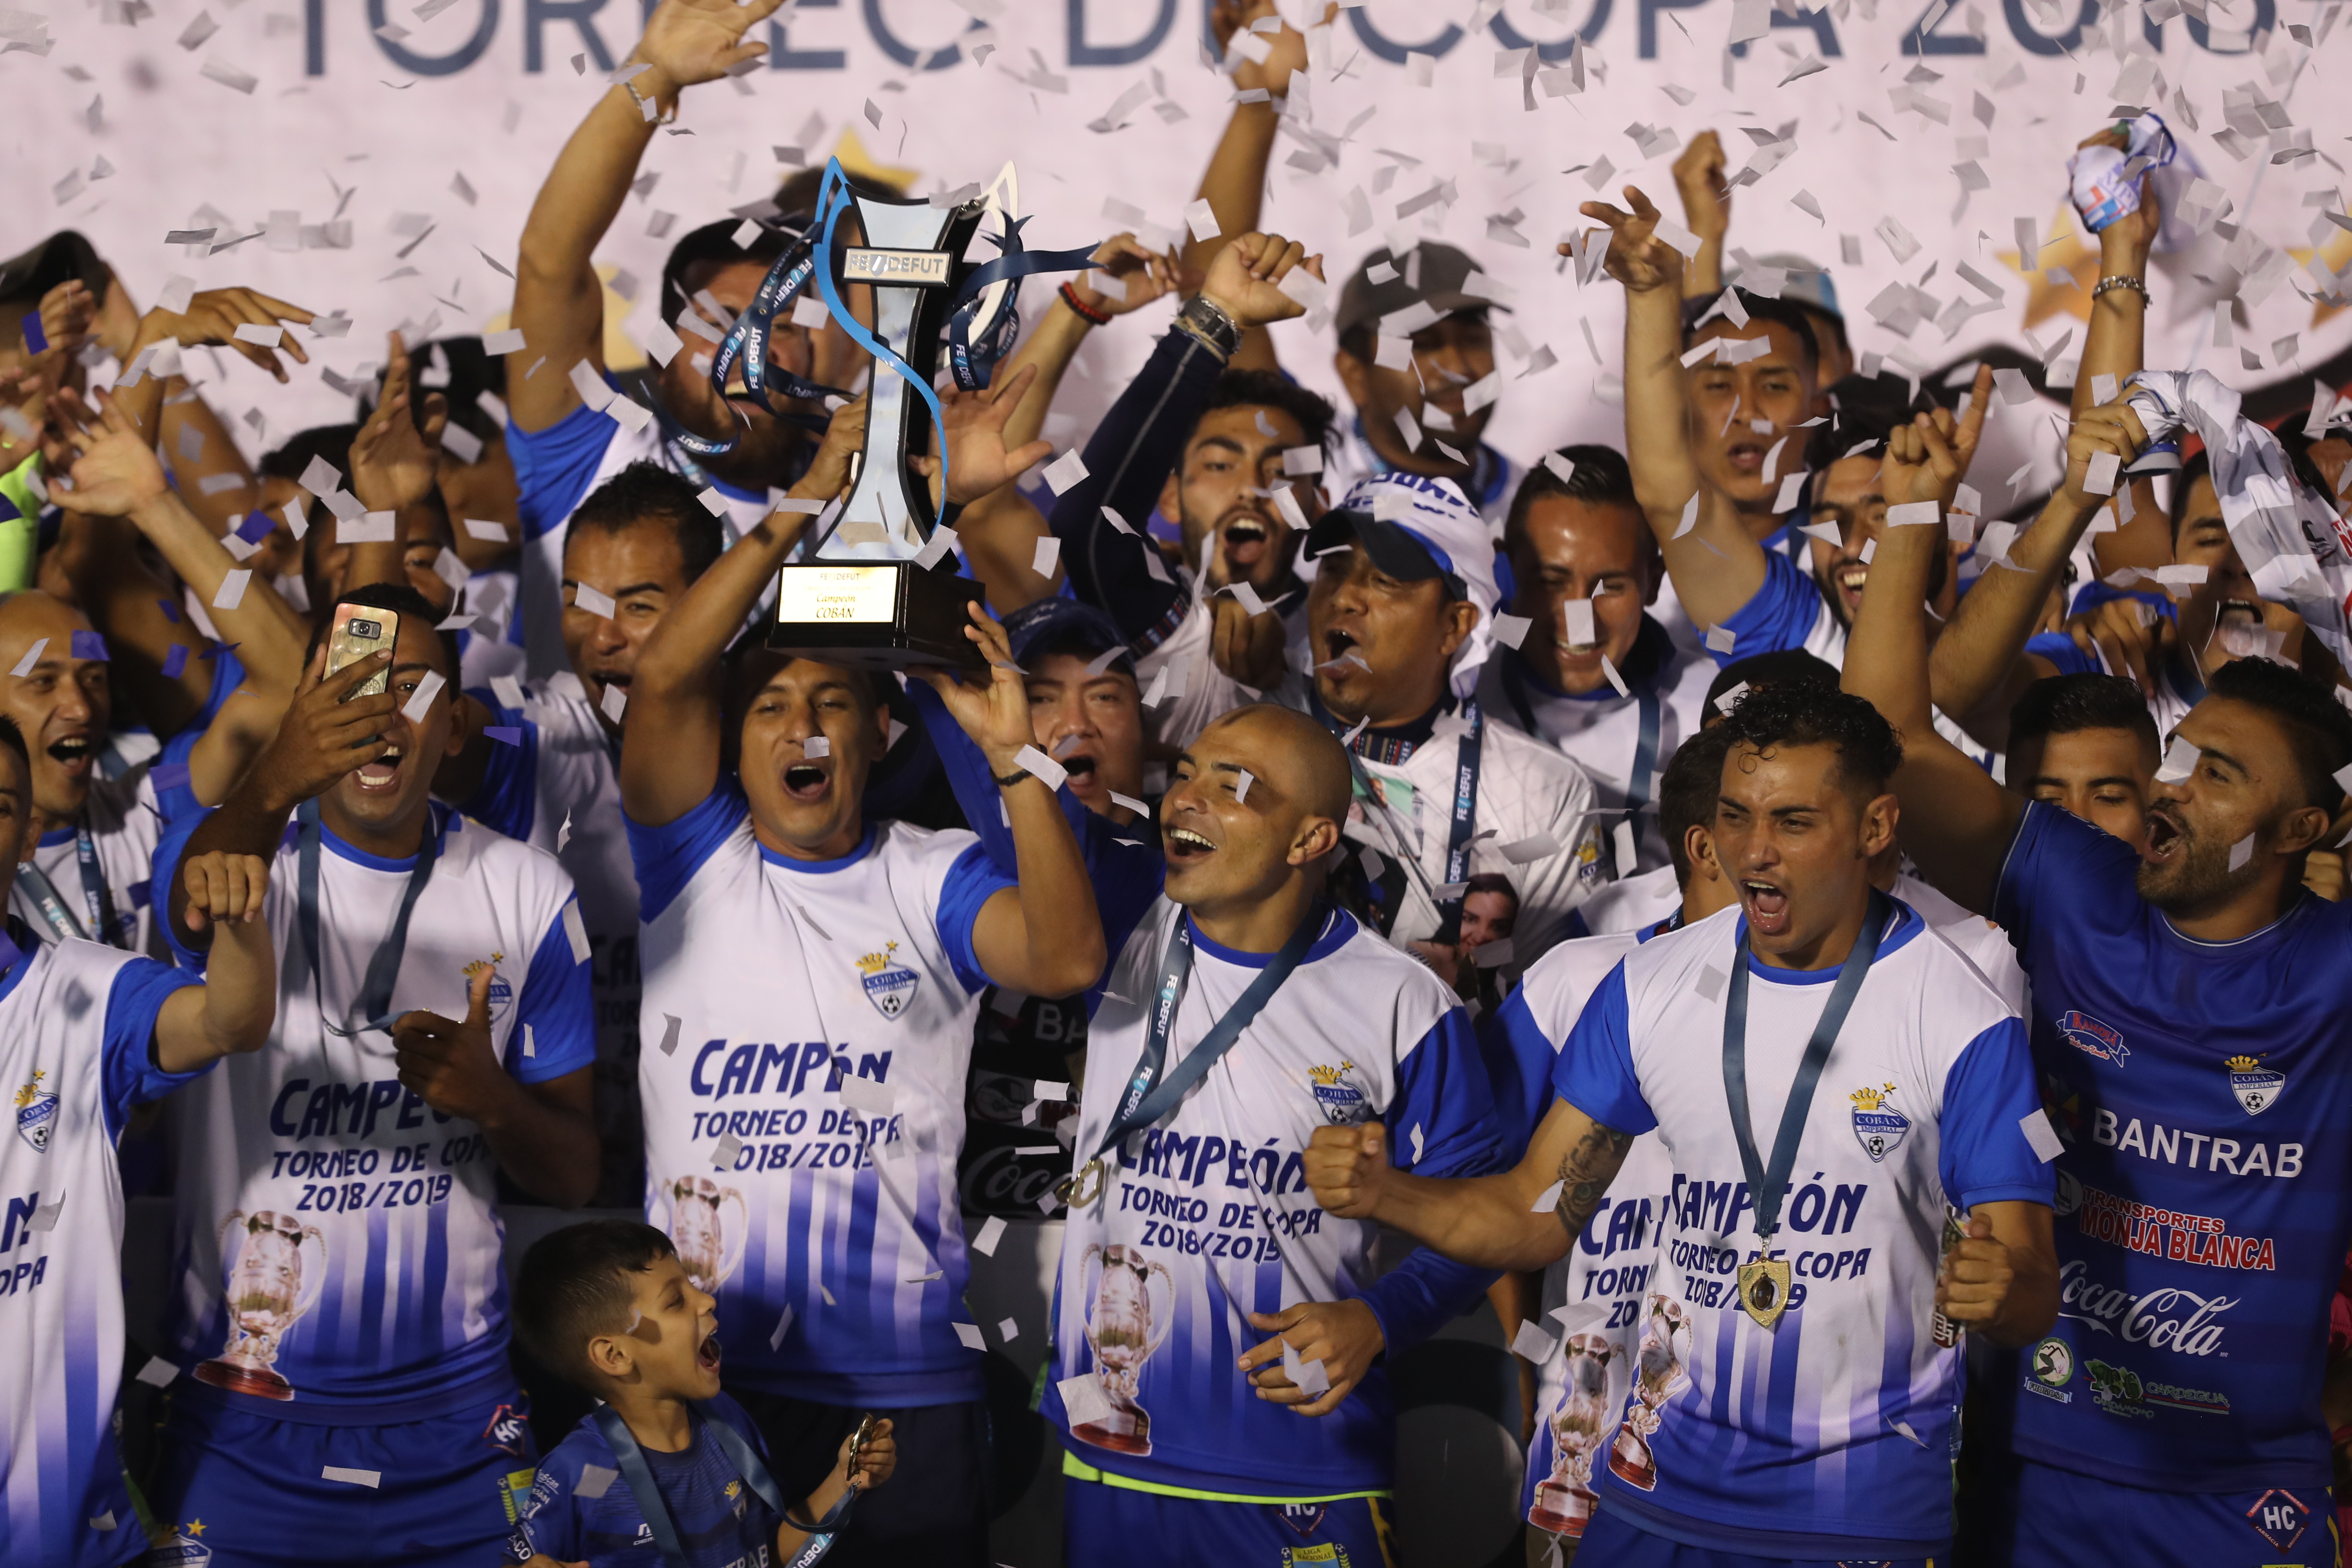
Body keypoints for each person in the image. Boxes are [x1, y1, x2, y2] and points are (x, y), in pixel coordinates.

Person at [1304, 679, 2058, 1563]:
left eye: (1794, 823)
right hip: (1651, 1498)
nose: (1755, 854)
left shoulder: (1964, 1017)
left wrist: (2005, 1295)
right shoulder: (1647, 986)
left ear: (1877, 829)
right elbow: (1532, 1215)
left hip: (1856, 1511)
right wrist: (1388, 1193)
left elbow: (2031, 1282)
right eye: (1737, 818)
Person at [1839, 367, 2352, 1566]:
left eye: (2219, 777)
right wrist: (1916, 516)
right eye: (2178, 758)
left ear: (2303, 832)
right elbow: (1890, 745)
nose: (2170, 787)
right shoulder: (2077, 891)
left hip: (2248, 1493)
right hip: (2037, 1461)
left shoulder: (2337, 970)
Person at [620, 359, 1105, 1564]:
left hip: (904, 1386)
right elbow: (671, 670)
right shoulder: (691, 859)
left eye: (833, 704)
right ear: (734, 745)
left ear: (878, 731)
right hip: (705, 1373)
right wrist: (803, 499)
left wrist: (1013, 766)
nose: (802, 729)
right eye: (772, 704)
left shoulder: (929, 874)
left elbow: (1064, 956)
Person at [144, 583, 600, 1568]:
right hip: (243, 1417)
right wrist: (274, 780)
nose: (383, 711)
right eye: (354, 685)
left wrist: (494, 1103)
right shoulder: (232, 853)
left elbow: (572, 1174)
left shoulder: (525, 891)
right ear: (312, 705)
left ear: (455, 720)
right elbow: (193, 899)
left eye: (412, 686)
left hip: (459, 1417)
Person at [1046, 702, 1502, 1565]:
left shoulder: (1401, 1003)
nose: (1187, 799)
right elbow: (1013, 810)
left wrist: (1378, 1318)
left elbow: (1484, 1220)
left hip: (1305, 1463)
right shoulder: (1115, 926)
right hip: (1109, 1446)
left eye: (1232, 788)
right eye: (1184, 775)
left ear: (1309, 840)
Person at [0, 712, 279, 1568]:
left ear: (28, 832)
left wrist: (238, 921)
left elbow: (230, 1020)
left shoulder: (82, 990)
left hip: (52, 1515)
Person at [506, 0, 847, 678]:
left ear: (815, 356)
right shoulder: (590, 462)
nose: (756, 350)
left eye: (782, 326)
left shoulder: (852, 508)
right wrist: (653, 76)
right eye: (719, 323)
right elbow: (550, 262)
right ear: (662, 361)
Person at [438, 459, 725, 1206]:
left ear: (711, 604)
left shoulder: (775, 734)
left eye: (638, 605)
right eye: (579, 601)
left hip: (726, 1199)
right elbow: (414, 728)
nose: (602, 637)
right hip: (551, 1208)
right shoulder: (533, 734)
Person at [1488, 724, 1737, 1560]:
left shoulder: (1871, 997)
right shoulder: (1571, 978)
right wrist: (1523, 1371)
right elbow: (1501, 1196)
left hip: (1764, 1454)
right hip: (1581, 1445)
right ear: (1705, 845)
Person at [1303, 472, 1607, 979]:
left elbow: (1559, 1007)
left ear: (1454, 625)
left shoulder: (1545, 793)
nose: (1345, 596)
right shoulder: (1246, 720)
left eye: (1384, 581)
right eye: (1334, 569)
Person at [506, 1220, 897, 1568]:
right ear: (616, 1355)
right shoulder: (582, 1472)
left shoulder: (727, 1418)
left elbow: (770, 1554)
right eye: (676, 1301)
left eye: (692, 1287)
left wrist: (847, 1481)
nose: (707, 1300)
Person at [1479, 445, 1715, 875]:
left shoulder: (1711, 710)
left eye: (1609, 587)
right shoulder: (1462, 693)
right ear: (1506, 569)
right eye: (1552, 582)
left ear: (1654, 581)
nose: (1579, 620)